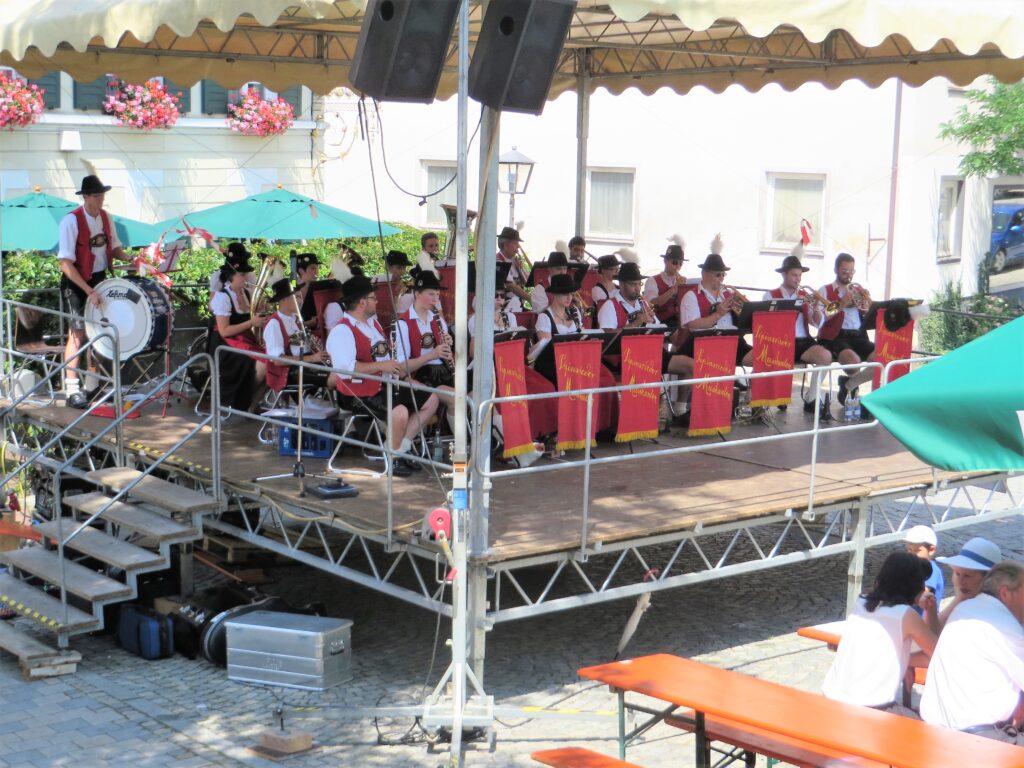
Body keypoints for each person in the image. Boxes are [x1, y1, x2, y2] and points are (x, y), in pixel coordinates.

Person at [326, 271, 439, 478]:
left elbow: (383, 356)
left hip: (383, 384)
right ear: (362, 302)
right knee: (401, 412)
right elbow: (346, 369)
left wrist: (399, 372)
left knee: (431, 399)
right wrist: (383, 367)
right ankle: (393, 458)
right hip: (357, 392)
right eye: (373, 298)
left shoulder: (373, 324)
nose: (377, 301)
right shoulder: (342, 331)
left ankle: (400, 448)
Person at [822, 551, 938, 717]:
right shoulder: (905, 616)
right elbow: (937, 654)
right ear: (914, 585)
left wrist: (900, 658)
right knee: (930, 731)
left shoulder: (861, 602)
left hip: (830, 698)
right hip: (870, 711)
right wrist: (930, 610)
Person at [920, 560, 1024, 744]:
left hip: (935, 733)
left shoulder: (963, 609)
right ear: (1005, 593)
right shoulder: (1006, 627)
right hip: (977, 741)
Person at [57, 174, 127, 408]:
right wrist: (88, 290)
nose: (101, 199)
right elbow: (65, 263)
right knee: (77, 333)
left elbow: (115, 248)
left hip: (99, 278)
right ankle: (72, 389)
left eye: (102, 195)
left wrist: (134, 260)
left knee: (99, 331)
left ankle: (92, 384)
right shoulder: (71, 221)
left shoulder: (106, 218)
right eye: (96, 195)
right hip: (76, 279)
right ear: (85, 197)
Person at [531, 273, 617, 435]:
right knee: (577, 379)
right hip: (552, 365)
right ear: (554, 294)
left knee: (603, 377)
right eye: (565, 293)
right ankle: (567, 429)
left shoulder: (574, 313)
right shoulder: (544, 317)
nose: (569, 297)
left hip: (573, 363)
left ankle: (595, 427)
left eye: (571, 293)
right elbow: (547, 347)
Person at [762, 249, 833, 420]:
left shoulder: (805, 296)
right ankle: (771, 397)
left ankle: (812, 397)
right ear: (784, 275)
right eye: (794, 275)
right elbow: (765, 323)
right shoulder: (770, 295)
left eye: (800, 276)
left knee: (825, 356)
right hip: (778, 341)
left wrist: (816, 307)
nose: (798, 279)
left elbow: (817, 323)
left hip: (802, 341)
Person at [208, 248, 267, 411]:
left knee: (275, 361)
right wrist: (251, 322)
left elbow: (250, 321)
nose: (246, 277)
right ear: (232, 276)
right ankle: (243, 398)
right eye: (242, 275)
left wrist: (261, 313)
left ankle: (252, 405)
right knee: (264, 364)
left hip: (243, 341)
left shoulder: (246, 294)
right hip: (226, 346)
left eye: (246, 274)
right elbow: (224, 331)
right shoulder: (222, 297)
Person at [679, 241, 755, 367]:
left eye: (723, 274)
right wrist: (718, 314)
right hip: (706, 343)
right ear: (705, 274)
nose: (722, 278)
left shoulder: (727, 294)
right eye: (718, 275)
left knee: (763, 357)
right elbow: (693, 326)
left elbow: (745, 319)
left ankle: (753, 386)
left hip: (733, 341)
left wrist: (744, 310)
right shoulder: (691, 296)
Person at [393, 264, 455, 413]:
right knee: (457, 398)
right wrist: (432, 355)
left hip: (443, 372)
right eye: (431, 294)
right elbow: (401, 367)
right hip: (421, 377)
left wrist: (449, 351)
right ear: (417, 294)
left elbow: (447, 358)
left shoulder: (438, 320)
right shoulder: (402, 324)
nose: (435, 300)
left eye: (437, 295)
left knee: (475, 393)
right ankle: (462, 436)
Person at [818, 253, 875, 410]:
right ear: (836, 270)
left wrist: (866, 306)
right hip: (836, 336)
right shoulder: (825, 290)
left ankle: (849, 384)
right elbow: (821, 319)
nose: (849, 275)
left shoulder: (858, 290)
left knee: (884, 357)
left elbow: (867, 314)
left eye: (851, 271)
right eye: (845, 271)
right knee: (853, 362)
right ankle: (850, 386)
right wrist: (841, 304)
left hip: (858, 335)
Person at [262, 278, 327, 396]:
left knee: (338, 367)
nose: (300, 300)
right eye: (296, 297)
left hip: (304, 364)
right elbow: (277, 360)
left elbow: (298, 347)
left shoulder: (294, 319)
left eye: (300, 296)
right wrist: (312, 358)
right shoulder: (274, 324)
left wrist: (315, 348)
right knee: (333, 376)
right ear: (284, 300)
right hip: (290, 371)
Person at [936, 537, 1002, 628]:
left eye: (967, 576)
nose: (960, 582)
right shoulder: (962, 601)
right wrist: (958, 599)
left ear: (988, 578)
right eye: (957, 574)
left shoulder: (990, 612)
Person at [643, 243, 688, 329]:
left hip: (679, 322)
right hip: (661, 323)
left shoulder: (682, 280)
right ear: (665, 261)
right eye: (675, 262)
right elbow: (651, 305)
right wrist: (673, 290)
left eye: (680, 263)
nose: (678, 266)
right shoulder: (652, 281)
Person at [903, 525, 945, 610]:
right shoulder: (913, 568)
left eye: (917, 550)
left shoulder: (931, 570)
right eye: (909, 550)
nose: (912, 555)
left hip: (924, 620)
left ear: (931, 550)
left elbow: (921, 595)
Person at [496, 226, 530, 312]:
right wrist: (531, 299)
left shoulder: (514, 260)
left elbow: (527, 282)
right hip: (505, 309)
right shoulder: (498, 261)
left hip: (518, 307)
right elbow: (511, 287)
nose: (518, 247)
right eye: (515, 243)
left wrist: (520, 269)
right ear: (506, 245)